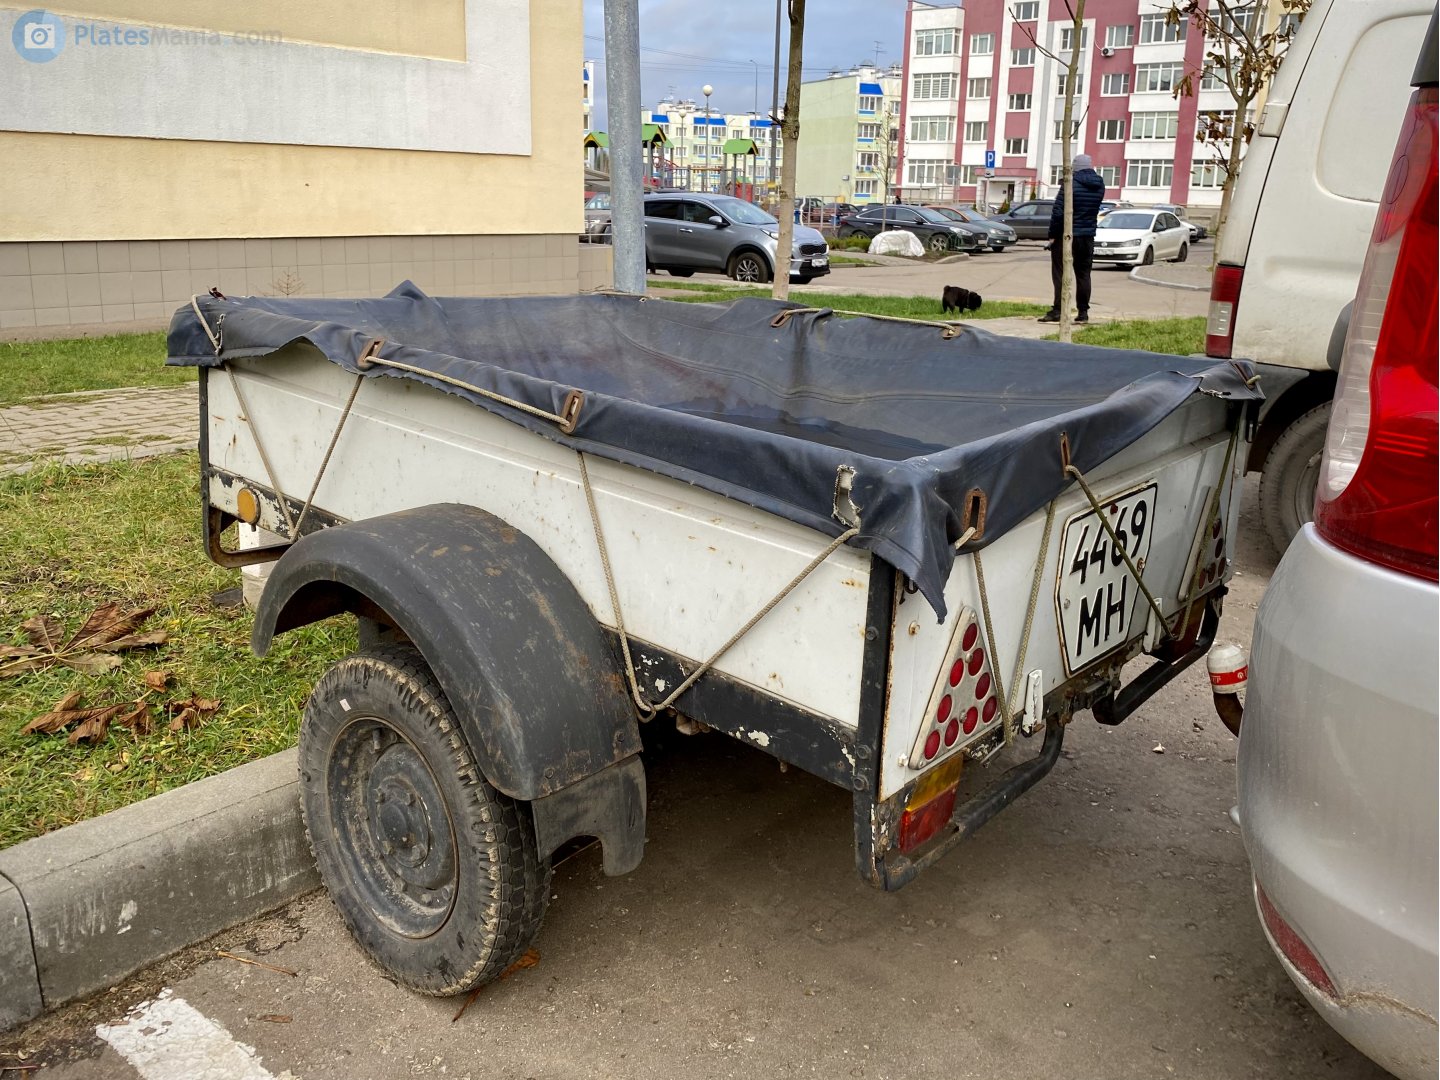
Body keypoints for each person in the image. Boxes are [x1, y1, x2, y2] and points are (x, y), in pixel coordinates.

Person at [1039, 154, 1105, 323]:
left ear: (1074, 167)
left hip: (1067, 235)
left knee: (1060, 272)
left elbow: (1058, 212)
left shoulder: (1069, 183)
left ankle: (1058, 310)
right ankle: (1083, 313)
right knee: (1084, 274)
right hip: (1087, 236)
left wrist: (1053, 236)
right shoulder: (1099, 185)